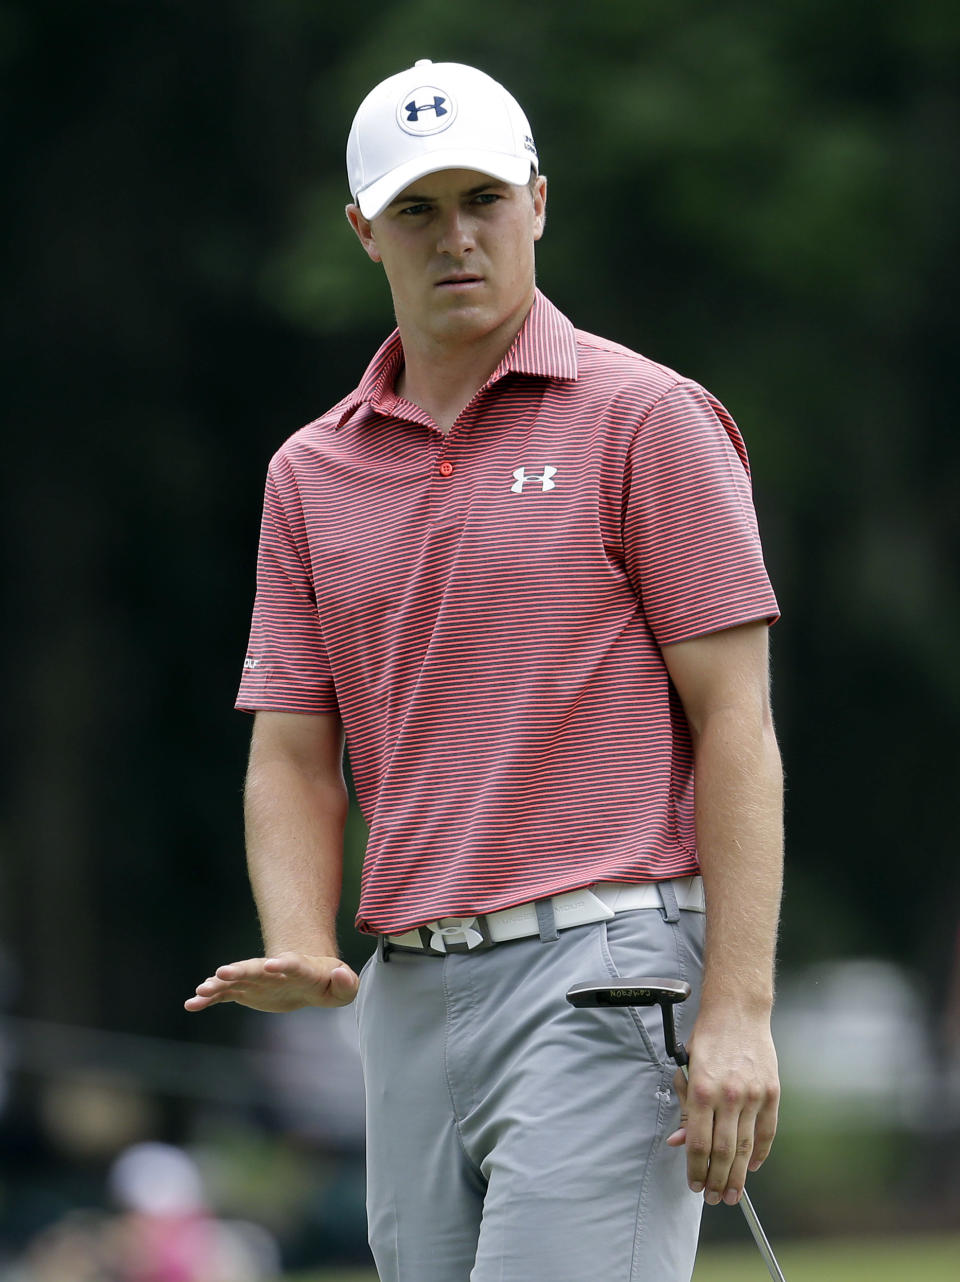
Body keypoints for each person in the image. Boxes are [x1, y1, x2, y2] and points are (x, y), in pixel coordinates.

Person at [185, 58, 784, 1282]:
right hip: (407, 997)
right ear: (364, 231)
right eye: (417, 208)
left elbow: (736, 721)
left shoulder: (646, 418)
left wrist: (740, 1009)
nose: (456, 236)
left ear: (538, 204)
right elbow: (295, 747)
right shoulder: (310, 472)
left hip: (605, 977)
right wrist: (300, 935)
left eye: (484, 200)